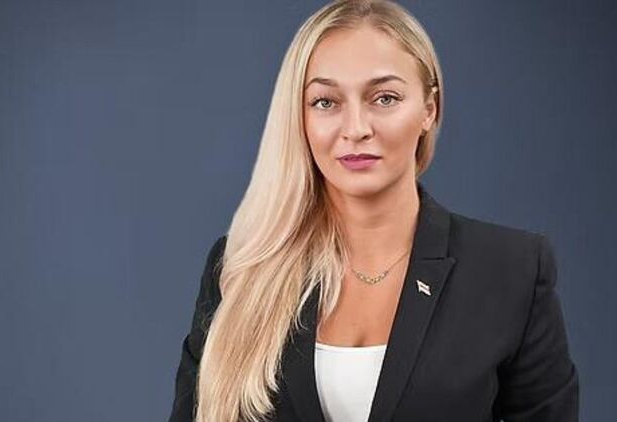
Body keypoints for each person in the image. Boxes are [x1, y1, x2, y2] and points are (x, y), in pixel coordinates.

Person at [168, 1, 579, 421]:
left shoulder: (511, 269)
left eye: (385, 98)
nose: (356, 128)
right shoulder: (242, 267)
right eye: (326, 102)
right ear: (299, 117)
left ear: (429, 110)